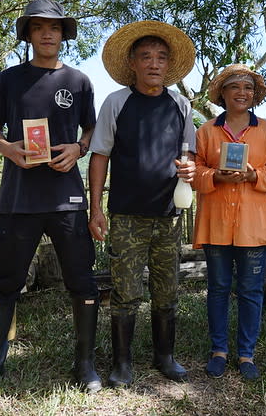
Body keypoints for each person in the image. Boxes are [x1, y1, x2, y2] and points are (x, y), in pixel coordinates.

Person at [0, 0, 101, 403]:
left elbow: (92, 129)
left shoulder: (79, 81)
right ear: (28, 34)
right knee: (6, 282)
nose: (48, 34)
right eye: (39, 27)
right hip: (18, 199)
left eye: (55, 28)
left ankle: (86, 363)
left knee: (82, 281)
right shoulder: (9, 80)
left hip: (67, 199)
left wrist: (78, 148)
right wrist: (8, 149)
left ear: (64, 35)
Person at [87, 20, 197, 387]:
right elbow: (100, 155)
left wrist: (190, 167)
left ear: (169, 65)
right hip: (126, 215)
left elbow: (190, 154)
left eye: (161, 57)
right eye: (146, 56)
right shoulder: (117, 102)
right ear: (132, 63)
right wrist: (96, 208)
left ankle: (165, 356)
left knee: (167, 289)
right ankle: (122, 363)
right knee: (126, 291)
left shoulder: (181, 105)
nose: (154, 63)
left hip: (169, 215)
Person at [192, 64, 266, 381]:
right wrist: (213, 176)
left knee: (251, 291)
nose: (242, 93)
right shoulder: (206, 132)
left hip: (254, 226)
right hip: (216, 224)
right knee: (218, 289)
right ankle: (218, 351)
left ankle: (247, 354)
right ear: (222, 93)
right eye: (234, 87)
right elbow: (193, 172)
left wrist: (255, 176)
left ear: (255, 95)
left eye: (248, 88)